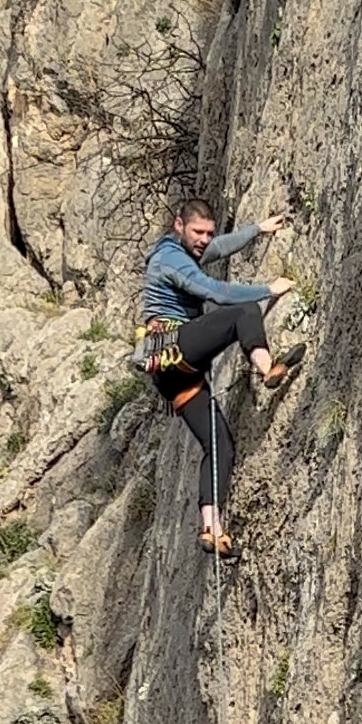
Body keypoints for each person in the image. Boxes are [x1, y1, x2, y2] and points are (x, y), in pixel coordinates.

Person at [137, 196, 295, 555]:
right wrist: (267, 290)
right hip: (174, 346)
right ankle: (266, 368)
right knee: (241, 310)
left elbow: (219, 248)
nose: (205, 239)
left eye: (208, 232)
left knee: (219, 445)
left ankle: (212, 529)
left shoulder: (185, 251)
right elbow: (213, 291)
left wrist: (257, 230)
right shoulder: (170, 259)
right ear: (179, 225)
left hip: (173, 376)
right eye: (198, 232)